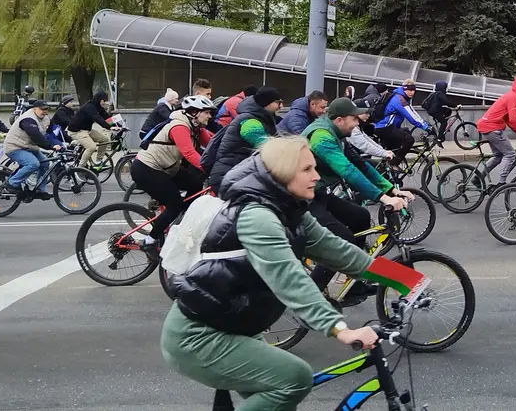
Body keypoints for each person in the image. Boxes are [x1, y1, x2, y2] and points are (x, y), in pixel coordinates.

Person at [162, 137, 379, 410]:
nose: (316, 176)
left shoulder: (291, 211)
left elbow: (337, 251)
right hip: (199, 336)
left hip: (234, 326)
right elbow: (288, 277)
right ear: (283, 173)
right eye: (307, 169)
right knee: (294, 378)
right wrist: (340, 329)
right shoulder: (258, 217)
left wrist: (402, 278)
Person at [302, 98, 411, 297]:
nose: (357, 123)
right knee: (343, 239)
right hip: (301, 199)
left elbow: (360, 164)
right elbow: (348, 171)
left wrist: (391, 190)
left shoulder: (338, 135)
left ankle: (353, 284)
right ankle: (310, 297)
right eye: (354, 119)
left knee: (360, 217)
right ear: (339, 120)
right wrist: (383, 199)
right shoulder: (321, 137)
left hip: (317, 193)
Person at [131, 95, 215, 252]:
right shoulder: (179, 127)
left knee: (196, 184)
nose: (210, 116)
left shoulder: (196, 128)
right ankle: (150, 240)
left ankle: (180, 220)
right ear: (195, 112)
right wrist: (211, 169)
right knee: (174, 204)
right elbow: (189, 153)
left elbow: (213, 145)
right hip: (146, 168)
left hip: (166, 167)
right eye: (207, 112)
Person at [208, 87, 283, 192]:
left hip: (240, 174)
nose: (281, 106)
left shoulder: (263, 118)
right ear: (267, 103)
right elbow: (265, 145)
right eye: (278, 102)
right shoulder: (250, 121)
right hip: (228, 177)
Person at [0, 99, 61, 199]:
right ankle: (12, 183)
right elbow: (36, 136)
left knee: (45, 163)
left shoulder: (46, 119)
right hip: (15, 147)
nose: (45, 111)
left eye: (47, 109)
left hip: (29, 147)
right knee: (33, 164)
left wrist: (70, 140)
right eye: (42, 109)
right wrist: (50, 146)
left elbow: (54, 132)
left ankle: (40, 190)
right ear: (34, 109)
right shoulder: (28, 119)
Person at [476, 75, 516, 185]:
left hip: (486, 126)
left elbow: (509, 121)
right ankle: (501, 184)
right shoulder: (513, 97)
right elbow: (514, 120)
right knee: (510, 155)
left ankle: (478, 178)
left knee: (498, 156)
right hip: (492, 128)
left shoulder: (510, 96)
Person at [373, 80, 429, 161]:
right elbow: (412, 117)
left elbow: (413, 112)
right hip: (384, 128)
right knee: (409, 140)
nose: (412, 93)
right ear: (404, 89)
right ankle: (395, 163)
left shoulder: (401, 97)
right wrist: (426, 127)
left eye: (413, 90)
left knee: (405, 133)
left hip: (385, 127)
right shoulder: (399, 99)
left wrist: (425, 124)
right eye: (409, 90)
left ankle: (388, 167)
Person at [69, 91, 113, 168]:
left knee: (105, 140)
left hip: (87, 130)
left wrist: (119, 125)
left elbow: (106, 117)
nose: (105, 103)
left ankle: (98, 162)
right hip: (77, 131)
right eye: (104, 101)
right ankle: (80, 168)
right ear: (99, 99)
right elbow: (98, 119)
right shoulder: (89, 107)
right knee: (92, 147)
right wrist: (110, 127)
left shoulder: (98, 107)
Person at [421, 81, 454, 145]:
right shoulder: (440, 94)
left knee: (448, 111)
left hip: (434, 110)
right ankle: (439, 138)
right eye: (445, 87)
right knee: (444, 123)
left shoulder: (436, 93)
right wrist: (455, 105)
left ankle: (443, 127)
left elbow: (444, 102)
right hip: (435, 111)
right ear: (443, 87)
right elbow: (446, 102)